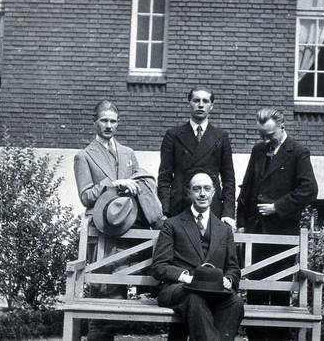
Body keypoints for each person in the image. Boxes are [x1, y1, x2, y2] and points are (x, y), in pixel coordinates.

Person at [74, 100, 166, 341]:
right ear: (94, 121)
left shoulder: (128, 153)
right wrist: (111, 185)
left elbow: (140, 185)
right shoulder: (83, 156)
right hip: (104, 229)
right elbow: (85, 196)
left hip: (131, 226)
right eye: (104, 120)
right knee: (105, 294)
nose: (108, 125)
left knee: (122, 293)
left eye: (113, 121)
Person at [236, 107, 318, 341]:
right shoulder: (258, 149)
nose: (265, 140)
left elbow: (309, 189)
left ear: (282, 128)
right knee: (254, 291)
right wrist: (242, 222)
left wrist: (278, 207)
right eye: (261, 135)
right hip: (255, 232)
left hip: (282, 235)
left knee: (279, 293)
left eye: (269, 135)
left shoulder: (298, 152)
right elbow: (248, 186)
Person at [152, 169, 244, 341]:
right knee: (195, 298)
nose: (203, 194)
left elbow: (233, 268)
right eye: (197, 189)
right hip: (178, 289)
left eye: (207, 188)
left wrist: (228, 279)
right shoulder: (172, 225)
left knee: (235, 303)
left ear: (214, 193)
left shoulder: (224, 230)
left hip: (215, 290)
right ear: (188, 193)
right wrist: (186, 278)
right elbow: (159, 266)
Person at [157, 87, 236, 228]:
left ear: (211, 106)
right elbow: (164, 177)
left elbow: (228, 179)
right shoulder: (173, 135)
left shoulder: (220, 136)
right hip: (180, 205)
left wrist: (228, 213)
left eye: (205, 101)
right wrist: (164, 210)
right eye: (196, 100)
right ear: (189, 103)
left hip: (211, 205)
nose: (200, 104)